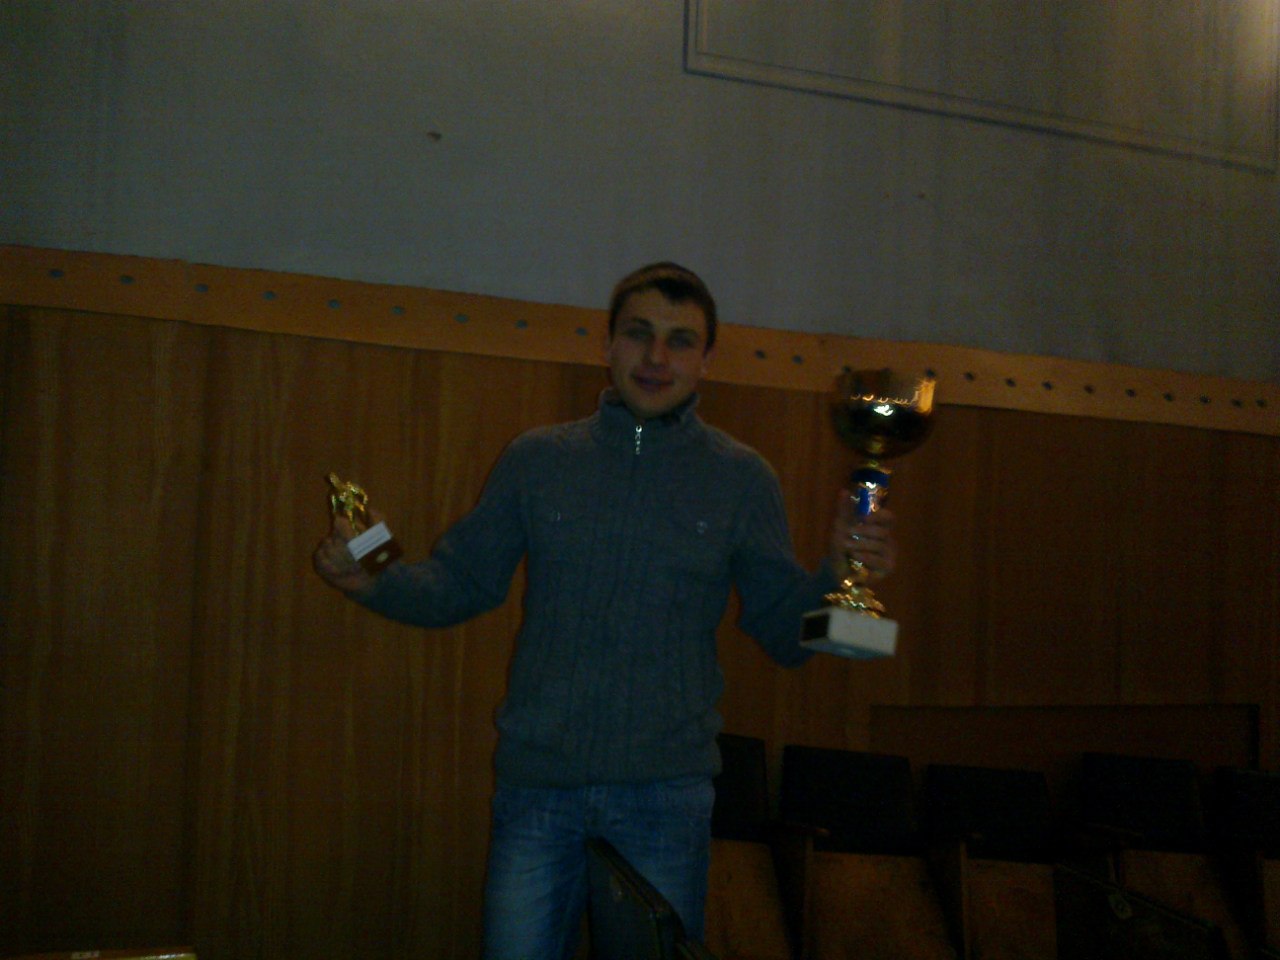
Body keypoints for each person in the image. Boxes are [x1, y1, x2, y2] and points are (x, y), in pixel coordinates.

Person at [313, 262, 896, 959]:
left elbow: (782, 631)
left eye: (681, 341)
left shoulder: (742, 479)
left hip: (665, 797)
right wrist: (373, 576)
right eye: (639, 334)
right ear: (608, 345)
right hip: (538, 790)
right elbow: (461, 581)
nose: (657, 357)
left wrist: (839, 573)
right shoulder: (538, 459)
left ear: (706, 360)